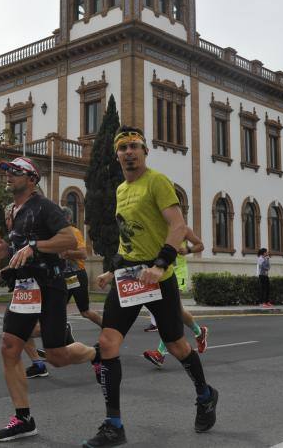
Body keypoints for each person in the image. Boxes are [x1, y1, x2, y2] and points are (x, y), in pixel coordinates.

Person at [84, 127, 218, 447]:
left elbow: (178, 226)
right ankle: (114, 425)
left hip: (159, 277)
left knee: (176, 346)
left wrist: (160, 265)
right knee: (108, 342)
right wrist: (112, 270)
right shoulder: (121, 190)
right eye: (123, 148)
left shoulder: (157, 181)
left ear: (145, 151)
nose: (129, 152)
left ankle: (205, 395)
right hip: (130, 276)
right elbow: (128, 236)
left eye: (135, 146)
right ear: (117, 155)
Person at [0, 157, 98, 442]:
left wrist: (34, 247)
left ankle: (96, 355)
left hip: (50, 287)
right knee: (9, 347)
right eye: (7, 171)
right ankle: (24, 419)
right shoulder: (13, 211)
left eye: (16, 172)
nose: (8, 175)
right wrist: (6, 261)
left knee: (57, 356)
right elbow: (22, 250)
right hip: (25, 288)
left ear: (32, 178)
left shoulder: (45, 207)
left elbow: (69, 240)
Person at [24, 206, 101, 379]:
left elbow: (83, 254)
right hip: (60, 279)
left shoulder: (73, 232)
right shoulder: (54, 234)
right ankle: (59, 334)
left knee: (85, 311)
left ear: (66, 219)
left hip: (76, 275)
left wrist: (66, 253)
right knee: (50, 314)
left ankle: (109, 329)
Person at [142, 225, 208, 368]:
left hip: (177, 273)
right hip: (162, 273)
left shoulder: (182, 229)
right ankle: (199, 332)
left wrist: (188, 250)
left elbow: (200, 245)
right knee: (178, 311)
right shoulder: (156, 225)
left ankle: (160, 353)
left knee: (170, 312)